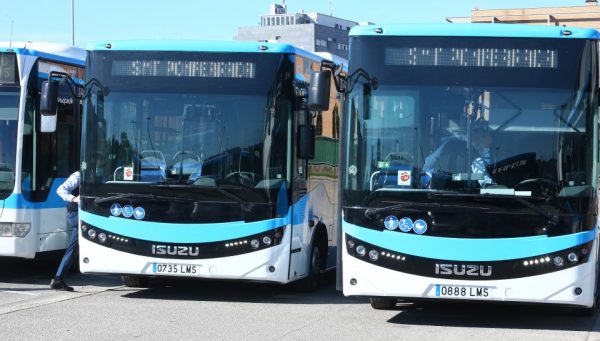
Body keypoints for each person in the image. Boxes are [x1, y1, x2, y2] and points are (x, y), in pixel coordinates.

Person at [50, 171, 80, 291]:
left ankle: (58, 279)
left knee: (73, 248)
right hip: (77, 213)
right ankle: (58, 279)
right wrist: (74, 198)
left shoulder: (103, 174)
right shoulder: (79, 175)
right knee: (73, 247)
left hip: (84, 213)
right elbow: (60, 190)